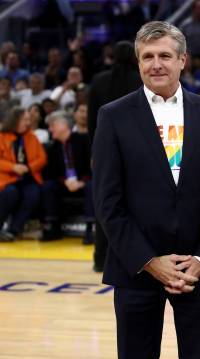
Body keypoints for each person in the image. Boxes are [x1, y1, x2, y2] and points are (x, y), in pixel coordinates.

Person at [92, 21, 200, 359]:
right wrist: (149, 260)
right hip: (136, 269)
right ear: (138, 62)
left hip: (197, 270)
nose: (156, 64)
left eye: (165, 56)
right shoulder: (113, 116)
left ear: (183, 60)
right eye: (148, 57)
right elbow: (108, 203)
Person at [87, 40, 142, 273]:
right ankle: (134, 256)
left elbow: (91, 121)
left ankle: (100, 258)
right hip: (137, 151)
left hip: (104, 148)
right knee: (134, 207)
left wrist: (93, 150)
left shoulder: (98, 81)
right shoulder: (139, 81)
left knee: (106, 203)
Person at [40, 111, 94, 243]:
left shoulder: (84, 140)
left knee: (92, 186)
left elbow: (94, 165)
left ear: (64, 125)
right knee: (48, 186)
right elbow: (50, 172)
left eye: (53, 125)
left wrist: (81, 182)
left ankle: (90, 229)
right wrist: (65, 182)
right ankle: (53, 226)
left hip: (84, 182)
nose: (50, 129)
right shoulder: (53, 147)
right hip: (65, 184)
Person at [0, 107, 46, 241]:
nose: (28, 122)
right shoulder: (2, 136)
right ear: (14, 120)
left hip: (28, 178)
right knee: (10, 193)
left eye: (29, 119)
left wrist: (28, 167)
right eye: (25, 119)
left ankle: (14, 230)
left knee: (33, 194)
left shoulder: (32, 136)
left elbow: (42, 158)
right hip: (7, 179)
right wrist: (13, 167)